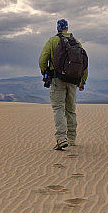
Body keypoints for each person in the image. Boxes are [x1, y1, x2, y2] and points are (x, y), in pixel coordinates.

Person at [38, 19, 88, 150]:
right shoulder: (76, 42)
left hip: (57, 80)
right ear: (67, 28)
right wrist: (82, 80)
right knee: (70, 109)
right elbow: (83, 63)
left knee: (58, 108)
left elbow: (42, 59)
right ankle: (71, 137)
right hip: (73, 80)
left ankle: (61, 138)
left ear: (57, 28)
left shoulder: (53, 41)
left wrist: (45, 72)